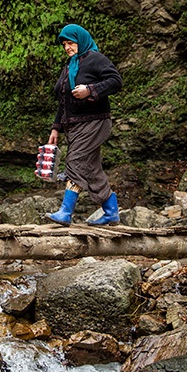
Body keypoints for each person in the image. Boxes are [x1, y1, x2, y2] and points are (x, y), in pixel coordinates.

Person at [45, 24, 123, 226]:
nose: (67, 48)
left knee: (76, 161)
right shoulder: (70, 66)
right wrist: (56, 128)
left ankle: (65, 212)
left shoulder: (96, 59)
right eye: (64, 44)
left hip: (95, 122)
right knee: (92, 169)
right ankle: (111, 211)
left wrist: (90, 89)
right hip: (75, 126)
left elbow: (115, 80)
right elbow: (63, 101)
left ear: (81, 41)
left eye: (71, 43)